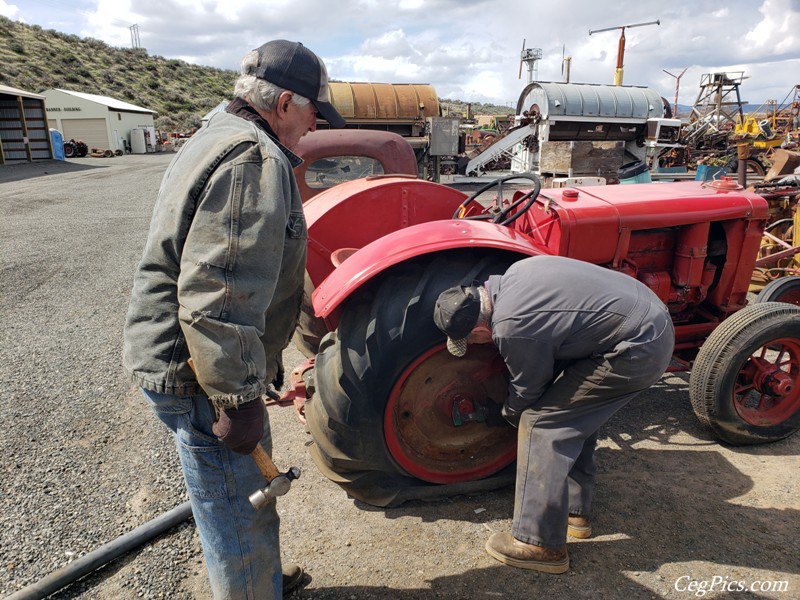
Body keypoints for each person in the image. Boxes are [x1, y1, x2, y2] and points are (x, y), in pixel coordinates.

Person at [123, 40, 345, 599]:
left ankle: (257, 578)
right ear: (286, 101)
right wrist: (237, 399)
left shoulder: (215, 132)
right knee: (235, 505)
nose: (316, 123)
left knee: (227, 498)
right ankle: (252, 586)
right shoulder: (253, 158)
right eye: (314, 109)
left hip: (187, 362)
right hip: (200, 375)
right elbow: (216, 297)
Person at [433, 255, 674, 574]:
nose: (478, 344)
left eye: (473, 340)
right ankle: (575, 511)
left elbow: (529, 390)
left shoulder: (511, 326)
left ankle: (539, 544)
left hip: (637, 347)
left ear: (479, 326)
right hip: (645, 319)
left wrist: (504, 413)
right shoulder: (515, 274)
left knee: (542, 424)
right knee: (573, 413)